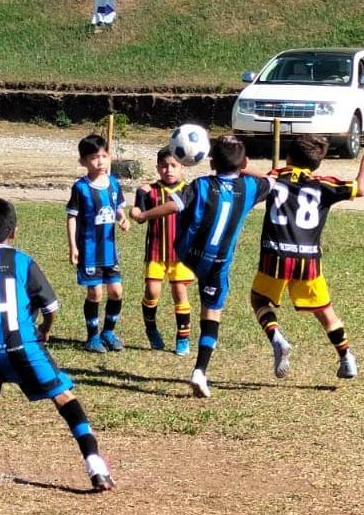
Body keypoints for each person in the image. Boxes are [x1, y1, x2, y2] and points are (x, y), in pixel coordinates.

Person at [0, 198, 115, 492]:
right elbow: (51, 306)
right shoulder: (21, 262)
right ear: (14, 232)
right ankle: (96, 466)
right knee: (64, 396)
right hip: (24, 350)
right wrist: (45, 328)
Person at [130, 136, 270, 399]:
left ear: (211, 162)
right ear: (245, 163)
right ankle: (200, 370)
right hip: (218, 263)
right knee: (211, 312)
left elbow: (174, 205)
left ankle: (181, 339)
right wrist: (244, 167)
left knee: (178, 288)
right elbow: (271, 178)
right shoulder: (251, 187)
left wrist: (143, 216)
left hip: (188, 253)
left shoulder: (201, 184)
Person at [250, 135, 364, 381]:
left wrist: (240, 163)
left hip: (275, 254)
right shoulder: (324, 185)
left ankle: (277, 339)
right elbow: (362, 187)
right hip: (308, 261)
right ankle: (346, 357)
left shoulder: (276, 177)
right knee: (325, 311)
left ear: (289, 157)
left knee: (259, 299)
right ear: (317, 163)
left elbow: (257, 177)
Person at [66, 133, 130, 352]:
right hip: (89, 250)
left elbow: (118, 208)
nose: (100, 161)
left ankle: (109, 332)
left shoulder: (113, 184)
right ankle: (92, 337)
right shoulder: (80, 188)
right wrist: (73, 246)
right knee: (95, 293)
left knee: (116, 291)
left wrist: (122, 218)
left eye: (104, 155)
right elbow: (72, 216)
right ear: (83, 161)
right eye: (94, 157)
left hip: (109, 250)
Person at [135, 148, 194, 356]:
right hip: (155, 251)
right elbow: (137, 211)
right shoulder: (149, 191)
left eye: (173, 165)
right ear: (157, 167)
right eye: (163, 165)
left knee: (180, 292)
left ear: (182, 167)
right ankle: (151, 328)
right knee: (152, 292)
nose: (168, 170)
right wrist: (135, 210)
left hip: (181, 255)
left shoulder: (189, 191)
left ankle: (183, 337)